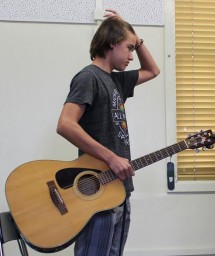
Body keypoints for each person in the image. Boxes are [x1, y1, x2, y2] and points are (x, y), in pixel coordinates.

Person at [56, 10, 160, 255]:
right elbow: (65, 124)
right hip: (96, 190)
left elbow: (153, 70)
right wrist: (112, 158)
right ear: (111, 43)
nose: (132, 56)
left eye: (134, 49)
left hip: (121, 190)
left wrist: (135, 36)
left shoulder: (117, 81)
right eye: (129, 48)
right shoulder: (88, 77)